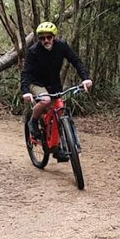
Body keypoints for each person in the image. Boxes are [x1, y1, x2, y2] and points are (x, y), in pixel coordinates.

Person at [20, 21, 92, 160]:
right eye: (42, 38)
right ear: (38, 39)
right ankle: (33, 121)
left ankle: (56, 147)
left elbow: (76, 61)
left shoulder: (61, 46)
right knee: (46, 100)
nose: (46, 40)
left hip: (54, 85)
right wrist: (25, 91)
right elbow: (26, 72)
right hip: (37, 83)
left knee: (59, 110)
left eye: (49, 37)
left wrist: (85, 78)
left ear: (54, 36)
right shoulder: (33, 51)